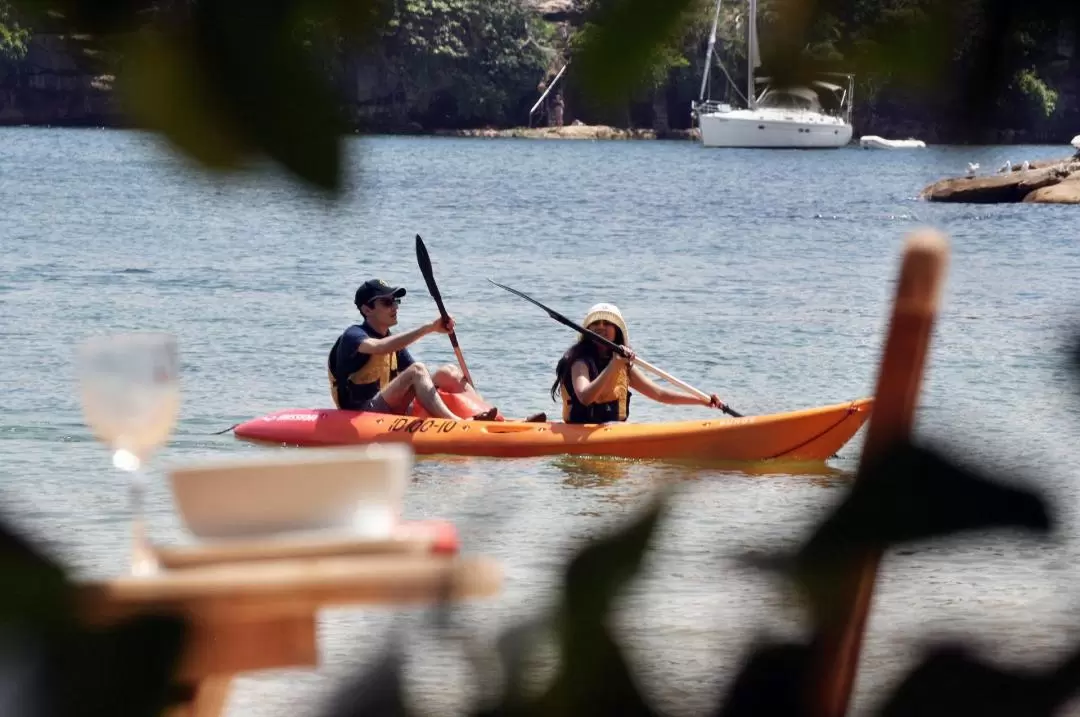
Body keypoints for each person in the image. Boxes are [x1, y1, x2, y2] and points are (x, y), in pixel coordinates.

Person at [328, 278, 499, 420]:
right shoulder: (353, 335)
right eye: (387, 302)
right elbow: (379, 347)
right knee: (418, 369)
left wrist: (446, 387)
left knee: (448, 372)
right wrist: (429, 328)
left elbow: (420, 380)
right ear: (367, 309)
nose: (395, 307)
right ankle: (457, 423)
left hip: (389, 406)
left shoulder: (391, 341)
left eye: (395, 301)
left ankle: (492, 418)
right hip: (362, 413)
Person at [550, 303, 727, 424]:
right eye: (595, 323)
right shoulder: (580, 362)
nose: (600, 326)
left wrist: (703, 400)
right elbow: (585, 397)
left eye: (607, 323)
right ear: (588, 330)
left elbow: (659, 394)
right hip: (580, 431)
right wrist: (614, 364)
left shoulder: (623, 364)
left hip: (612, 428)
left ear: (617, 330)